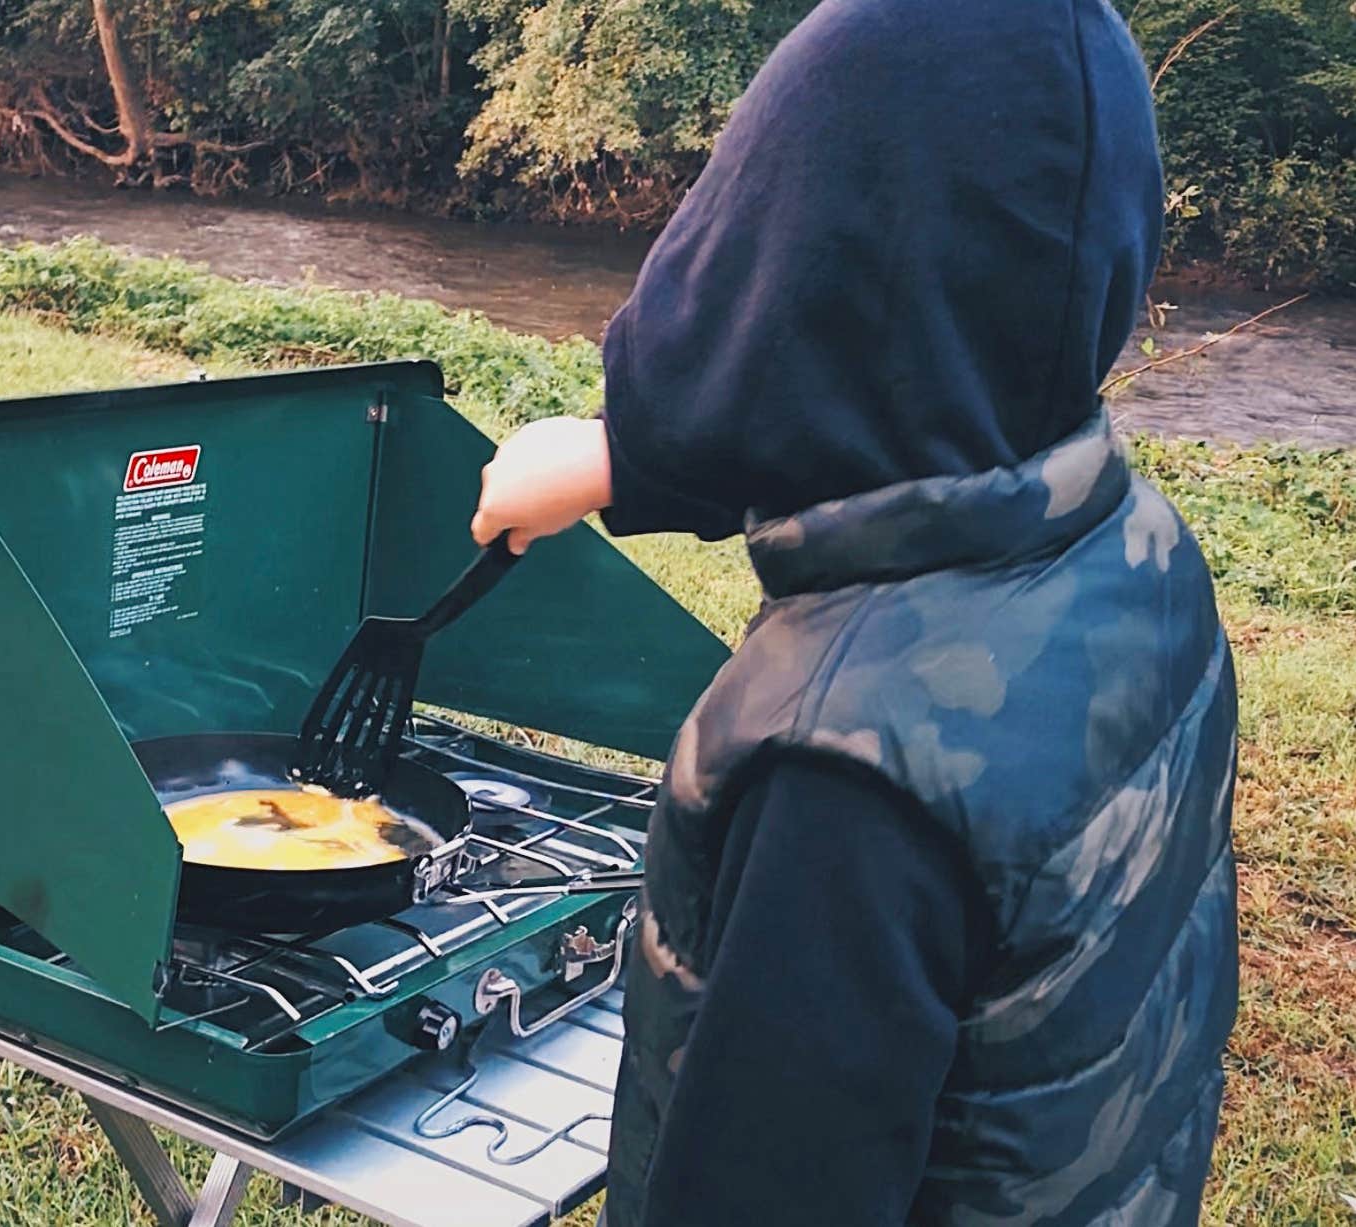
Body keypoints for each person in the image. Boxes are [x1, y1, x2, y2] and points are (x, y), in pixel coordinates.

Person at [468, 0, 1240, 1223]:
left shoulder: (843, 769)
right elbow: (909, 390)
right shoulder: (1133, 548)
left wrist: (655, 424)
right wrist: (630, 457)